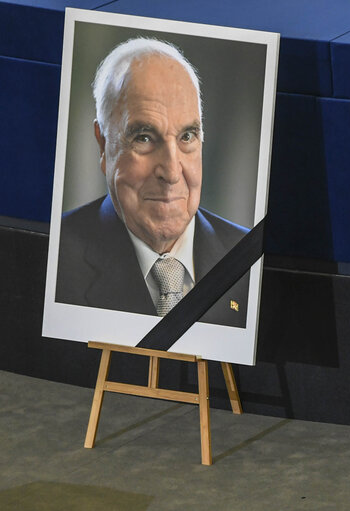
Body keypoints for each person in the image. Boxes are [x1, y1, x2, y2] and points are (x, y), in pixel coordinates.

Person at [56, 38, 249, 328]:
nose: (172, 172)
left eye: (187, 137)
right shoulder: (58, 259)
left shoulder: (247, 258)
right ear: (102, 143)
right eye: (144, 138)